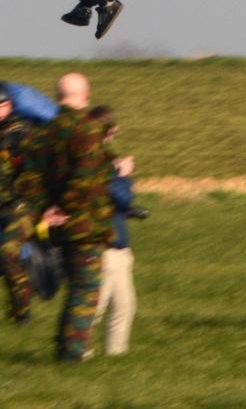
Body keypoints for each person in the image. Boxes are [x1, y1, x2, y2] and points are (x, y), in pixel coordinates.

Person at [16, 72, 115, 362]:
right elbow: (85, 177)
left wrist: (45, 209)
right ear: (85, 96)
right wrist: (65, 207)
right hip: (85, 225)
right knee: (85, 290)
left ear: (58, 96)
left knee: (75, 289)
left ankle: (66, 346)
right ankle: (72, 353)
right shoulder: (89, 130)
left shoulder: (41, 134)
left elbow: (28, 179)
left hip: (56, 227)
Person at [0, 79, 52, 324]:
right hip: (2, 208)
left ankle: (22, 313)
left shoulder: (23, 132)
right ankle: (16, 312)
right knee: (1, 261)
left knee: (7, 253)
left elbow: (38, 169)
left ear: (10, 105)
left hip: (25, 208)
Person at [90, 104, 144, 356]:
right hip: (105, 247)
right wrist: (124, 175)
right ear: (112, 130)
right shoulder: (98, 160)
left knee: (124, 306)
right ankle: (79, 353)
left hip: (119, 247)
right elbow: (121, 198)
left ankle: (116, 355)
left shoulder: (102, 158)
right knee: (94, 308)